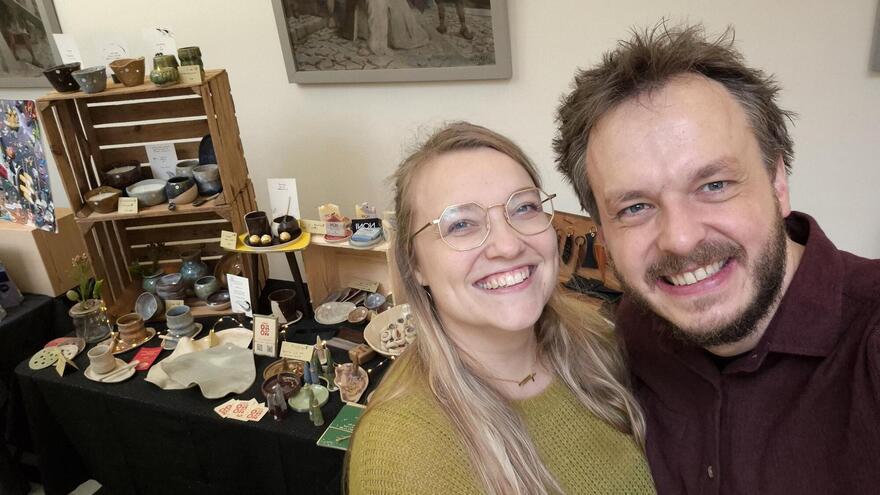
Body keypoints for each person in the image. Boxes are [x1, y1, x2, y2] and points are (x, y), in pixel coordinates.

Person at [554, 23, 880, 494]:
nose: (681, 240)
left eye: (714, 185)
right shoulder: (635, 329)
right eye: (636, 207)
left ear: (777, 183)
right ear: (603, 233)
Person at [347, 122, 655, 494]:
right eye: (461, 224)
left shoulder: (602, 340)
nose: (508, 246)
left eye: (524, 207)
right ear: (415, 265)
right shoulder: (398, 454)